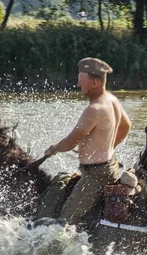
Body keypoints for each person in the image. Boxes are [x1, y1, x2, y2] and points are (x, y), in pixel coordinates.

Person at [44, 57, 131, 226]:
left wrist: (53, 149)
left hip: (96, 176)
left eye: (81, 81)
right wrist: (109, 147)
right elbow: (126, 126)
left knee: (67, 218)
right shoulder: (112, 100)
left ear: (95, 83)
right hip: (109, 166)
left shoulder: (94, 109)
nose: (78, 85)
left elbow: (70, 142)